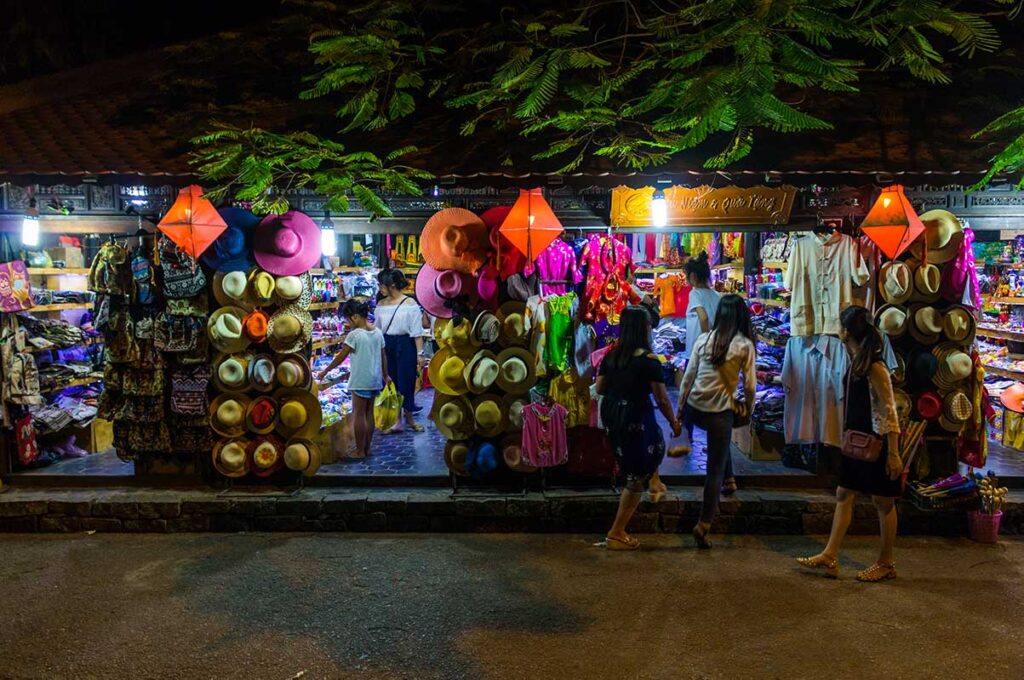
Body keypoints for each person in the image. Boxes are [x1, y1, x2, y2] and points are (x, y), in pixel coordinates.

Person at [797, 305, 902, 582]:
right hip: (857, 441)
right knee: (844, 493)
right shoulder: (858, 361)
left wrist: (893, 453)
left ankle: (886, 562)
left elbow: (890, 410)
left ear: (846, 332)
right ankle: (830, 554)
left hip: (876, 442)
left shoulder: (875, 366)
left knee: (883, 502)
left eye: (840, 327)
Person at [597, 305, 682, 551]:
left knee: (640, 459)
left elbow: (600, 388)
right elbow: (663, 398)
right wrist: (674, 422)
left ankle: (653, 481)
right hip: (636, 416)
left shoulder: (612, 355)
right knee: (636, 475)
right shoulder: (648, 360)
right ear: (644, 329)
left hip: (614, 415)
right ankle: (617, 531)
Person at [677, 294, 756, 549]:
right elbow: (751, 386)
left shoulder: (704, 339)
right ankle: (704, 524)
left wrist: (679, 411)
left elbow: (688, 378)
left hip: (695, 409)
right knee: (714, 471)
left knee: (720, 449)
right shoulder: (744, 345)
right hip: (719, 413)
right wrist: (749, 409)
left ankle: (730, 477)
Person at [683, 251, 733, 493]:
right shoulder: (718, 295)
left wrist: (704, 341)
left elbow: (702, 318)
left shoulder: (696, 294)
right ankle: (727, 471)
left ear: (693, 276)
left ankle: (687, 438)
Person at [316, 299, 389, 459]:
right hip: (375, 380)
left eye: (348, 320)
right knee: (369, 414)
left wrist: (325, 371)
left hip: (360, 380)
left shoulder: (354, 335)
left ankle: (360, 450)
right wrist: (385, 375)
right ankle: (368, 448)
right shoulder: (377, 332)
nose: (347, 324)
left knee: (359, 414)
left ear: (355, 317)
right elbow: (383, 356)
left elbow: (341, 357)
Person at [375, 269, 426, 433]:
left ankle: (408, 417)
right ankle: (395, 419)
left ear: (392, 284)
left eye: (382, 284)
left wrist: (420, 354)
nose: (380, 288)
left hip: (405, 344)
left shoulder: (409, 304)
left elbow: (417, 332)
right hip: (386, 344)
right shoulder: (381, 305)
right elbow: (377, 330)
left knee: (407, 380)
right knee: (390, 381)